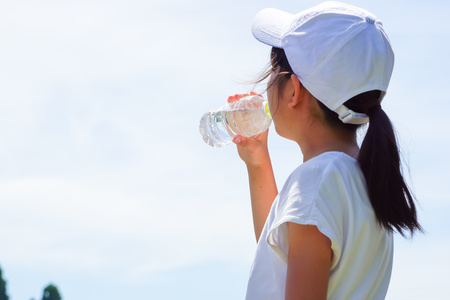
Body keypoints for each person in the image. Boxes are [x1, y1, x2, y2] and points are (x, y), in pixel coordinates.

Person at [228, 2, 422, 300]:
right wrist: (258, 162)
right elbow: (279, 261)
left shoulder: (317, 179)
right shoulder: (363, 178)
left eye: (272, 72)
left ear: (293, 91)